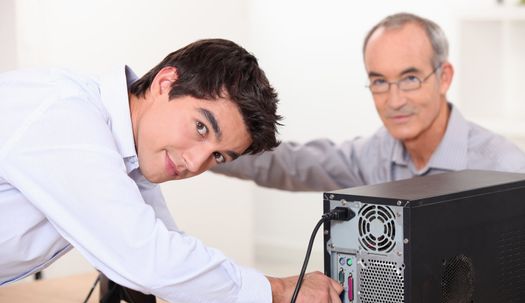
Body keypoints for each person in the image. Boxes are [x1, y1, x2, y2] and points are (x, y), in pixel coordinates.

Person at [0, 39, 342, 303]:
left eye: (218, 157)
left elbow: (174, 254)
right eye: (201, 128)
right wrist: (280, 291)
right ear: (166, 82)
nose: (195, 164)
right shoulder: (64, 113)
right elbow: (149, 258)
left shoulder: (130, 161)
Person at [213, 13, 525, 191]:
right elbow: (292, 164)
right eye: (379, 81)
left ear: (444, 77)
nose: (394, 100)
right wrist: (207, 147)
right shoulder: (376, 154)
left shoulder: (504, 168)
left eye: (410, 78)